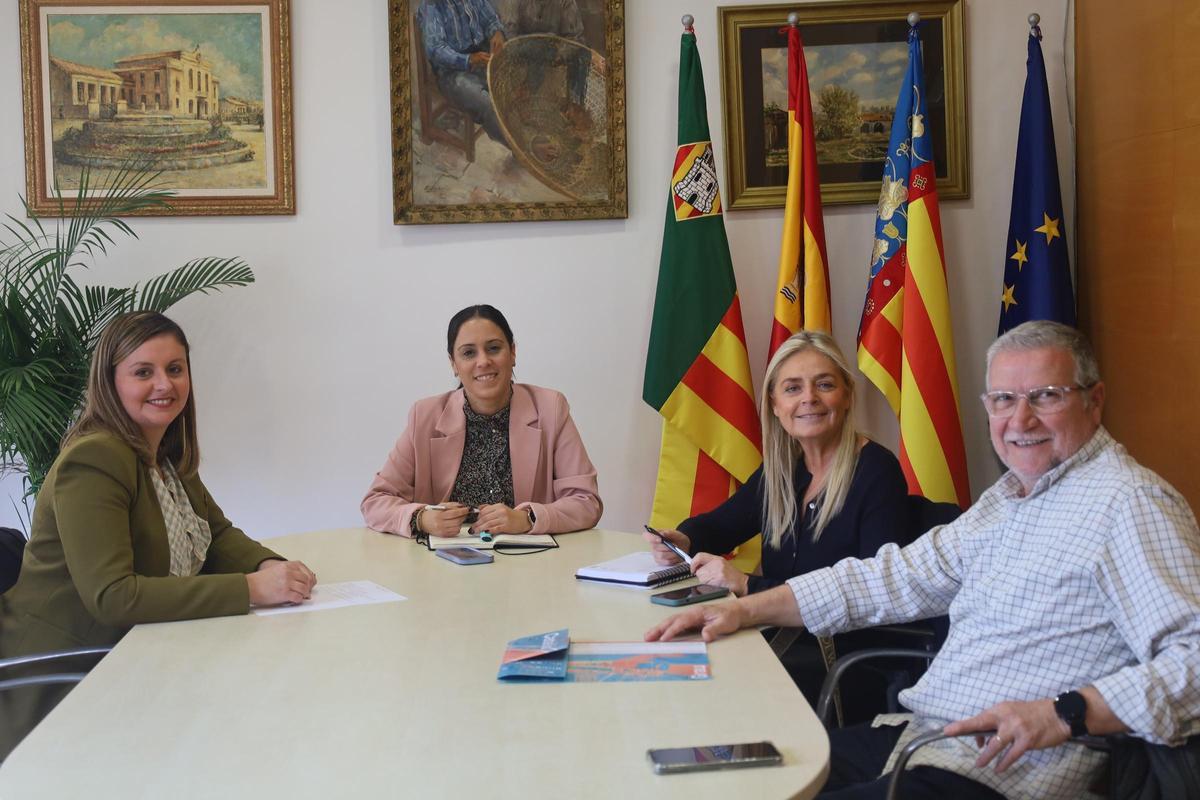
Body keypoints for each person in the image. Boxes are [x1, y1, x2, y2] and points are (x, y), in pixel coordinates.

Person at [647, 320, 1200, 800]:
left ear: (1094, 400)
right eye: (1003, 400)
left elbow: (1194, 662)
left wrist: (1064, 713)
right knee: (719, 778)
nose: (1021, 419)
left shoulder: (1129, 504)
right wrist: (745, 610)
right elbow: (889, 579)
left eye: (1047, 395)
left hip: (1008, 772)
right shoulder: (1010, 499)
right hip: (924, 736)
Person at [0, 311, 317, 758]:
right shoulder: (94, 460)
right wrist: (250, 589)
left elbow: (217, 534)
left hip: (137, 654)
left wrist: (270, 565)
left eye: (175, 369)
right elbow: (113, 596)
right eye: (143, 372)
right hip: (63, 672)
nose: (164, 385)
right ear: (111, 383)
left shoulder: (163, 452)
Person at [642, 331, 909, 598]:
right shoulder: (784, 468)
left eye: (825, 385)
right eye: (793, 388)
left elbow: (873, 591)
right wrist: (684, 539)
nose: (809, 398)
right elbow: (721, 525)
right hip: (774, 630)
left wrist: (748, 584)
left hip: (839, 638)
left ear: (848, 396)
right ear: (775, 405)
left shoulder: (878, 471)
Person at [361, 304, 601, 537]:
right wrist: (422, 518)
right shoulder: (424, 416)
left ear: (513, 352)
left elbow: (587, 502)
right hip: (443, 563)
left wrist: (528, 518)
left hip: (527, 560)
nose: (483, 361)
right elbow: (375, 502)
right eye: (468, 353)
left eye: (494, 348)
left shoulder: (551, 408)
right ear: (454, 364)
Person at [416, 0, 508, 145]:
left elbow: (490, 19)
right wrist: (468, 60)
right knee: (485, 103)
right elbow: (436, 50)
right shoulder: (431, 6)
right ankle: (520, 148)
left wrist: (497, 32)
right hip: (451, 72)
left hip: (480, 57)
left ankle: (524, 132)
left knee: (512, 80)